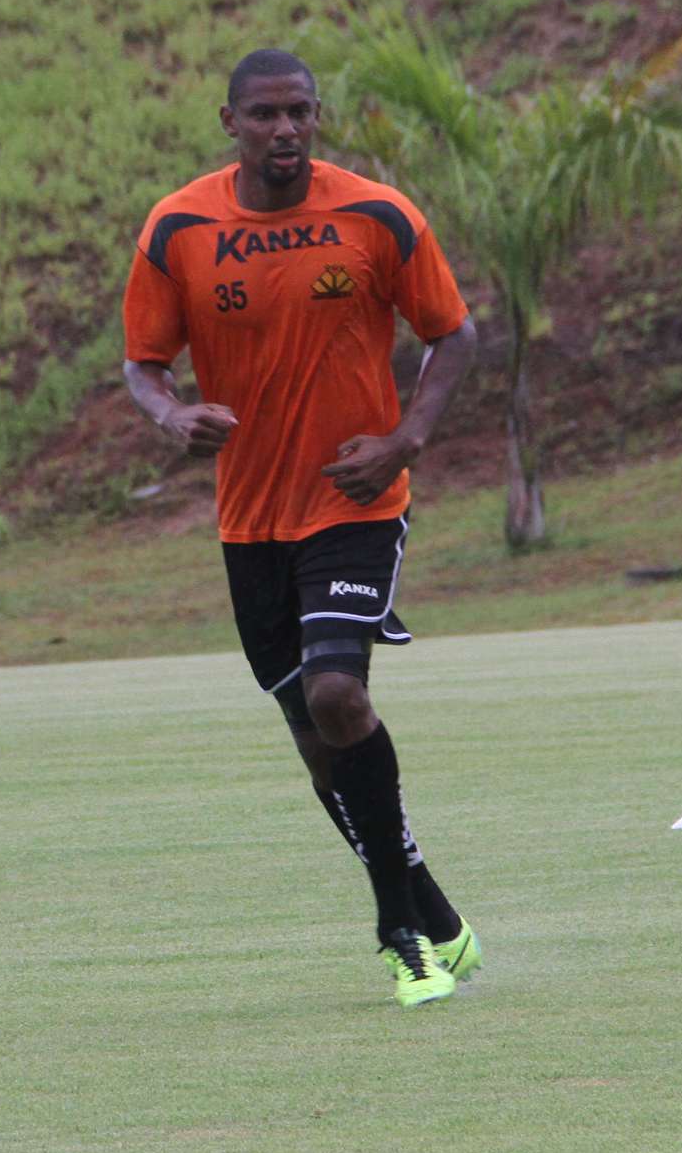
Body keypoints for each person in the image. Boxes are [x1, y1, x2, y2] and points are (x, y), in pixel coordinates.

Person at [121, 49, 482, 1009]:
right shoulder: (180, 228)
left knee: (336, 695)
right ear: (228, 121)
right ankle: (441, 915)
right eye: (266, 114)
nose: (286, 129)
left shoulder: (377, 215)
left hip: (354, 501)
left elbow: (456, 334)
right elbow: (142, 363)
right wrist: (170, 417)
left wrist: (405, 438)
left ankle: (399, 933)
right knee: (314, 735)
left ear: (317, 118)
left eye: (301, 113)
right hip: (251, 522)